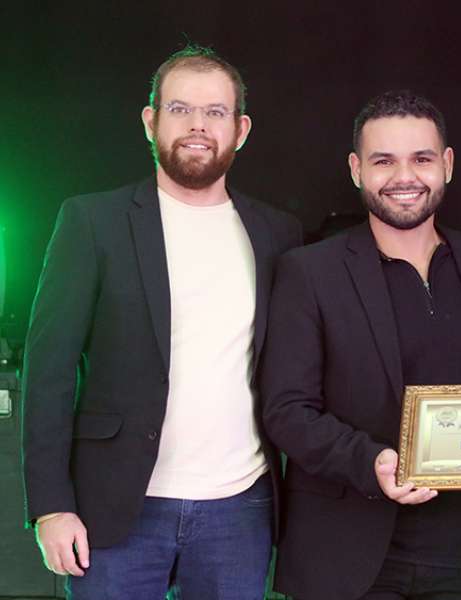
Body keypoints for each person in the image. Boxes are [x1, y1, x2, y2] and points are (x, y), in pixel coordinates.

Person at [22, 44, 302, 599]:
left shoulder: (277, 234)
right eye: (180, 109)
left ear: (241, 130)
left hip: (240, 508)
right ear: (151, 122)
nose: (198, 125)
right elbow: (48, 372)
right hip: (114, 505)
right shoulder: (92, 222)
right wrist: (50, 506)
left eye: (215, 112)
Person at [262, 90, 461, 600]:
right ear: (356, 169)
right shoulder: (309, 272)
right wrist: (371, 462)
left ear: (447, 164)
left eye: (421, 159)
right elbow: (287, 410)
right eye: (383, 160)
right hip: (345, 554)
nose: (404, 177)